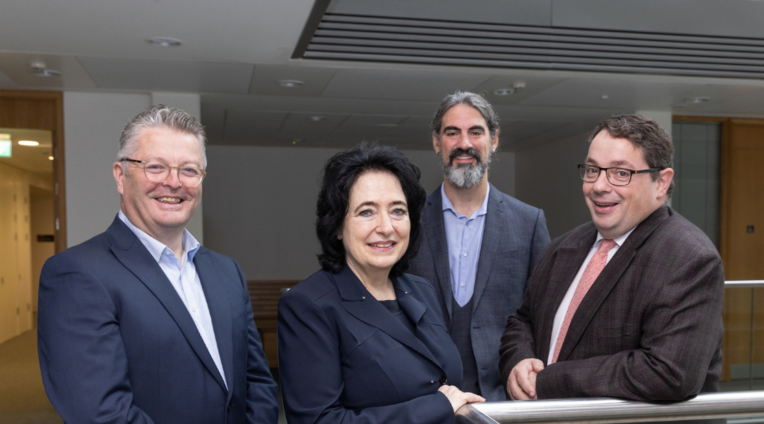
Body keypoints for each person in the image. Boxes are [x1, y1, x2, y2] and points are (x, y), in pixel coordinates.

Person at [38, 105, 279, 423]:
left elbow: (258, 383)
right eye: (155, 167)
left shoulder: (226, 271)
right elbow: (102, 414)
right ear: (121, 176)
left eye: (189, 170)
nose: (174, 182)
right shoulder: (76, 274)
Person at [499, 114, 724, 401]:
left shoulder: (690, 259)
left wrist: (546, 381)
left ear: (661, 183)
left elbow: (668, 373)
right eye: (592, 170)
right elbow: (522, 321)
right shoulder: (562, 248)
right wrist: (519, 362)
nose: (599, 186)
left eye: (620, 173)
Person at [277, 143, 484, 423]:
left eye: (398, 210)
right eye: (366, 212)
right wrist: (437, 407)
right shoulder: (308, 306)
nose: (386, 227)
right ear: (337, 225)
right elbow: (319, 421)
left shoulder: (421, 290)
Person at [409, 91, 551, 401]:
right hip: (422, 399)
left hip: (503, 400)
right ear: (436, 142)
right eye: (452, 133)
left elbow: (543, 313)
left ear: (494, 139)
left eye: (476, 132)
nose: (464, 144)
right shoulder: (406, 222)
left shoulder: (529, 223)